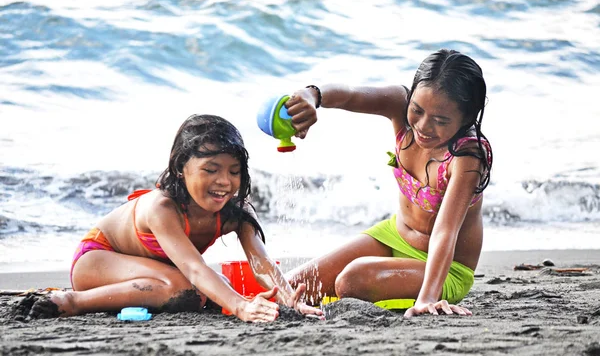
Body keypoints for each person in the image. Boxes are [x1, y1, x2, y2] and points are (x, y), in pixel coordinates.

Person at [29, 114, 323, 322]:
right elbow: (195, 269)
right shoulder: (163, 208)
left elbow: (261, 263)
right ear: (182, 166)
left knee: (205, 290)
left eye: (234, 171)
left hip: (156, 273)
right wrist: (240, 306)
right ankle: (73, 302)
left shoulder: (236, 212)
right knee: (190, 289)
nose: (224, 181)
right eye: (211, 170)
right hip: (99, 261)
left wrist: (289, 299)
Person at [284, 49, 493, 318]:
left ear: (466, 118)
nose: (424, 126)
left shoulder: (468, 157)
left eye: (440, 120)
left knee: (351, 280)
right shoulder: (399, 105)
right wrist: (312, 95)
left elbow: (446, 229)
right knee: (292, 288)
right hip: (393, 235)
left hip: (444, 267)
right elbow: (350, 94)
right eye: (417, 110)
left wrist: (427, 297)